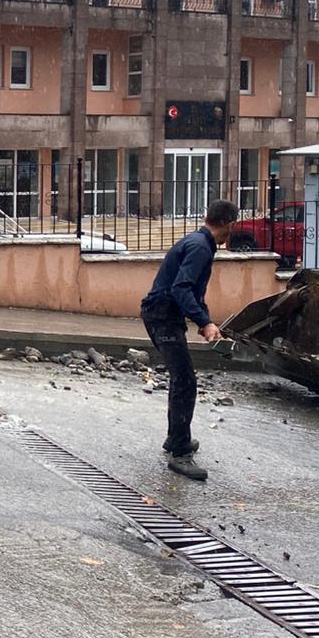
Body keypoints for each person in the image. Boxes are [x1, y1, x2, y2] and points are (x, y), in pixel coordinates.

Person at [140, 199, 239, 481]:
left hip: (162, 314)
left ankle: (176, 438)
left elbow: (193, 293)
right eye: (233, 226)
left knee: (181, 378)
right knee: (185, 380)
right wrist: (204, 322)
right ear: (228, 224)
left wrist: (206, 321)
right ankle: (180, 452)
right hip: (163, 316)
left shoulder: (199, 242)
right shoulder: (200, 247)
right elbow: (181, 288)